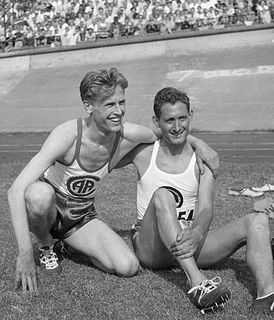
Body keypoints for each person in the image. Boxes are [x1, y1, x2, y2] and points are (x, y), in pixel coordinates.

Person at [7, 68, 219, 295]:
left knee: (127, 266)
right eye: (109, 105)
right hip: (48, 208)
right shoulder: (68, 135)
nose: (119, 111)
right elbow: (15, 191)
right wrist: (24, 252)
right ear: (89, 106)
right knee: (39, 196)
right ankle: (46, 244)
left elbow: (170, 131)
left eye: (121, 102)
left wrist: (199, 144)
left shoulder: (127, 134)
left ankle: (68, 244)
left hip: (80, 216)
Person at [116, 87, 274, 314]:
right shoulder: (144, 153)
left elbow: (206, 208)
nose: (178, 126)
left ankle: (267, 296)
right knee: (163, 195)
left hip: (188, 239)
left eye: (183, 118)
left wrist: (198, 232)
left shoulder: (203, 160)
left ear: (191, 116)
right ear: (156, 122)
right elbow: (107, 149)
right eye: (169, 120)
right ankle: (198, 283)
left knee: (257, 220)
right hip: (152, 247)